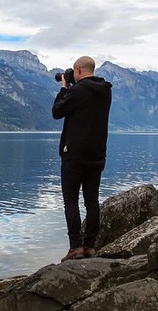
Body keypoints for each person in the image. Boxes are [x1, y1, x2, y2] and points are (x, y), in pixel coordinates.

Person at [51, 56, 112, 262]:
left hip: (74, 155)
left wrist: (64, 88)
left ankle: (76, 247)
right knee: (92, 200)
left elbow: (57, 112)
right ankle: (91, 246)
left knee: (71, 200)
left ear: (78, 70)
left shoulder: (76, 91)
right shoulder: (105, 91)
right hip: (96, 155)